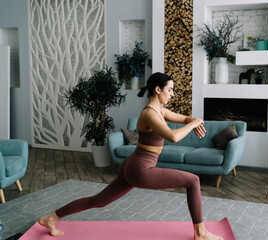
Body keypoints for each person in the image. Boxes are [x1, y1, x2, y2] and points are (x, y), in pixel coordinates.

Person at [38, 72, 223, 240]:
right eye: (170, 90)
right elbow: (173, 136)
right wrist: (194, 124)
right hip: (141, 170)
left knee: (98, 201)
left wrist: (193, 120)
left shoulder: (160, 111)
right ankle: (200, 233)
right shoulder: (150, 114)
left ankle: (51, 217)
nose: (172, 93)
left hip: (131, 166)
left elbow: (183, 118)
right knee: (193, 181)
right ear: (158, 90)